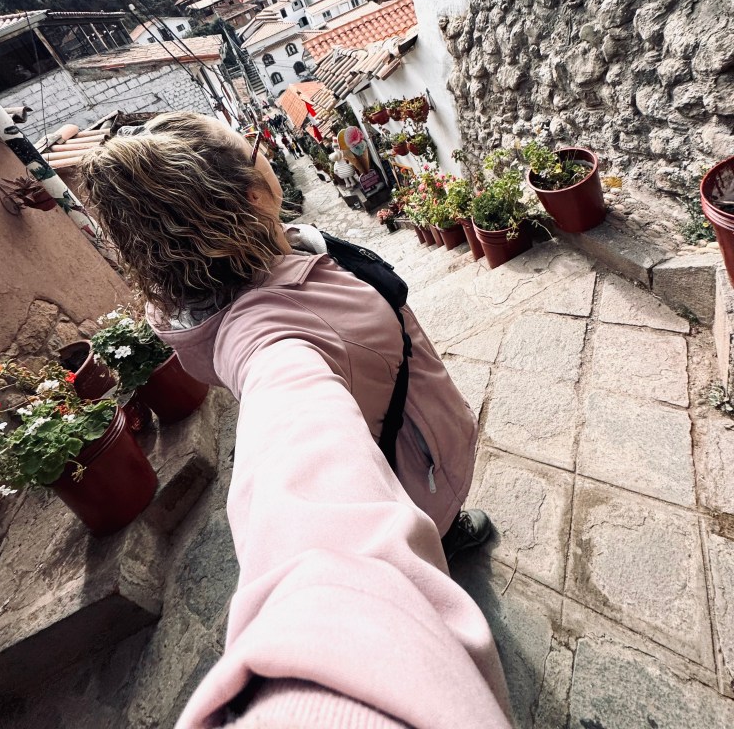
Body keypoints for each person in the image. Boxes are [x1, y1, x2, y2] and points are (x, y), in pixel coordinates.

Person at [79, 112, 509, 728]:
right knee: (424, 516)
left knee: (428, 509)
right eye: (253, 145)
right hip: (411, 463)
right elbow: (300, 479)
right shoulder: (268, 340)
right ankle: (442, 535)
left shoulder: (266, 259)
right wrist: (326, 684)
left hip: (407, 429)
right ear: (253, 193)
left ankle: (443, 528)